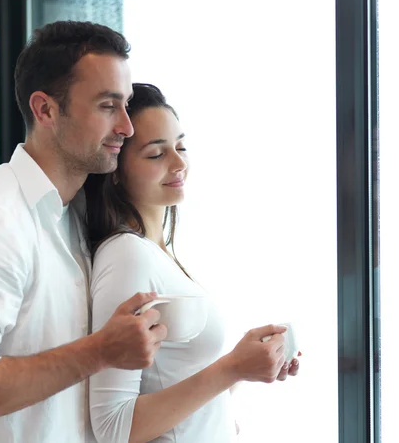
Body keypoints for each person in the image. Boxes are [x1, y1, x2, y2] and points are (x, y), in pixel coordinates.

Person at [0, 21, 166, 443]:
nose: (126, 126)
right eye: (108, 106)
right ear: (45, 109)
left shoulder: (79, 217)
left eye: (125, 105)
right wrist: (101, 351)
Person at [84, 83, 301, 443]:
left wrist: (250, 366)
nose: (179, 163)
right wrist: (231, 368)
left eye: (181, 147)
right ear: (117, 170)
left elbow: (180, 386)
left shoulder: (158, 253)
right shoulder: (127, 255)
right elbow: (112, 427)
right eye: (156, 155)